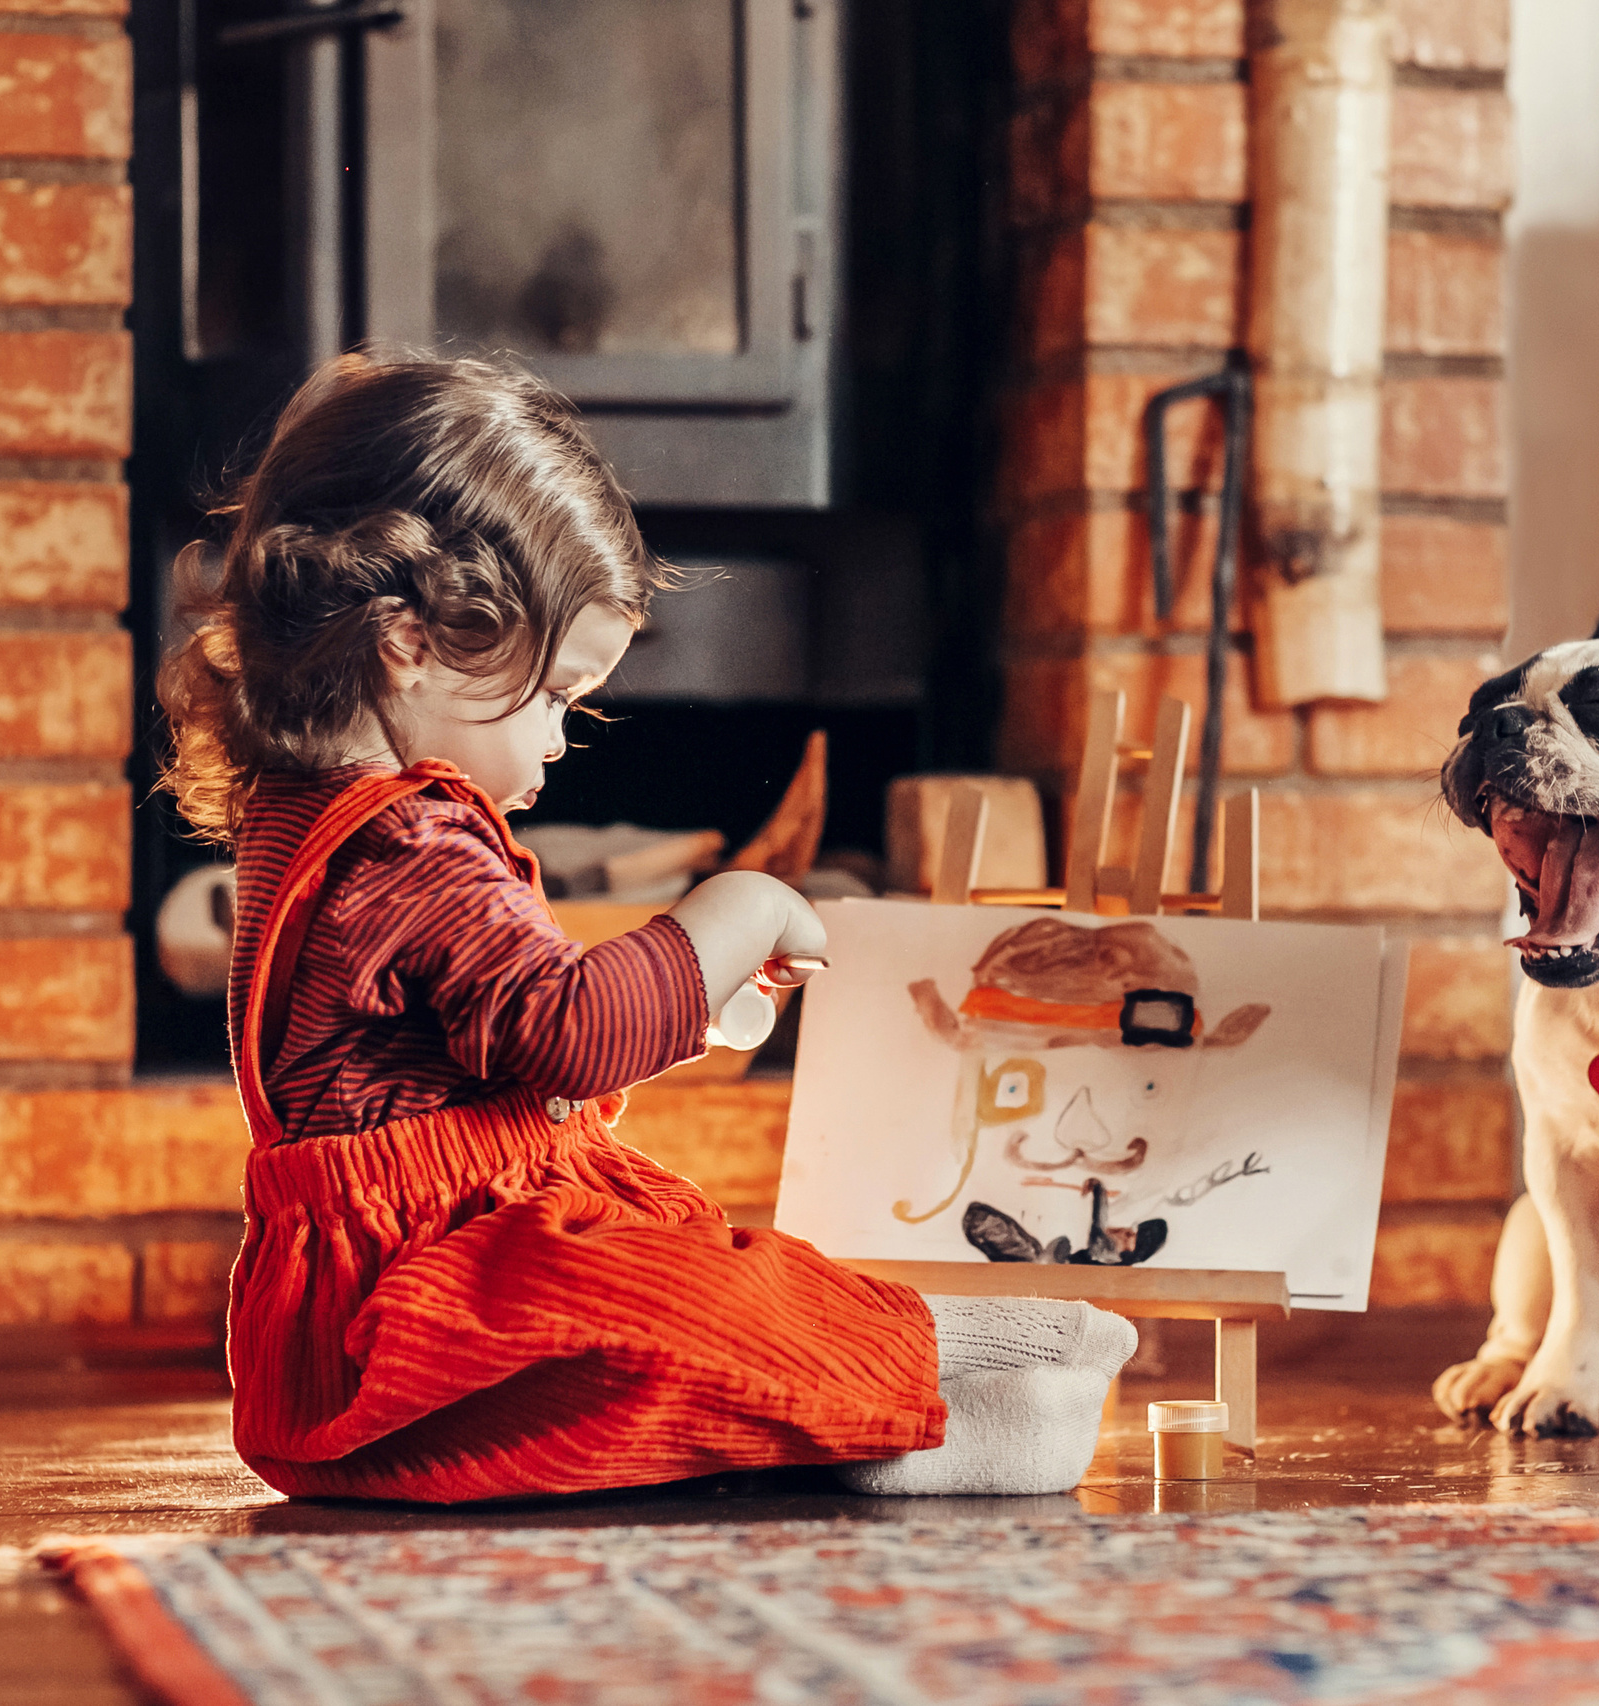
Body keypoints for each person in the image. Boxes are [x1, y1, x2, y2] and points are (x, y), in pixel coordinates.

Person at [155, 354, 1134, 1503]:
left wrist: (686, 1009)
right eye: (557, 693)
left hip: (362, 1348)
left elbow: (489, 1041)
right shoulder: (411, 844)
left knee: (684, 1294)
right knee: (698, 1297)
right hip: (440, 1302)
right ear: (408, 641)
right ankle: (945, 1392)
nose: (563, 739)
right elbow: (567, 1032)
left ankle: (909, 1385)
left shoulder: (301, 816)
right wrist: (738, 906)